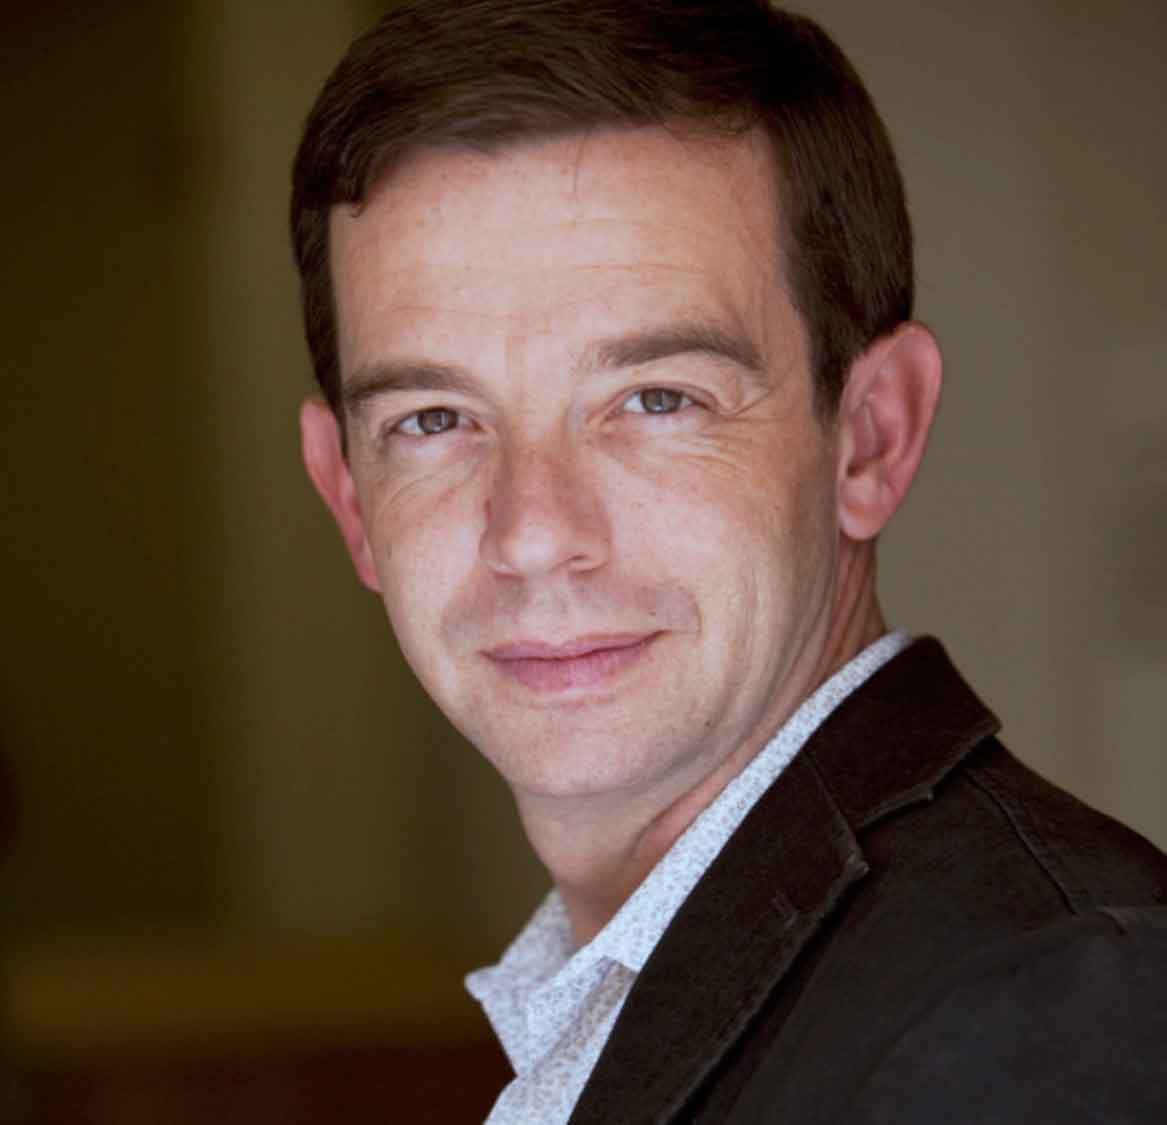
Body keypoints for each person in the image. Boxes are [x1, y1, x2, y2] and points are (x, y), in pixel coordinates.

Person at [290, 2, 1167, 1120]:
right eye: (432, 418)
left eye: (658, 399)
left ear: (873, 437)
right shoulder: (638, 998)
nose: (534, 531)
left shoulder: (1049, 1013)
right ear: (347, 495)